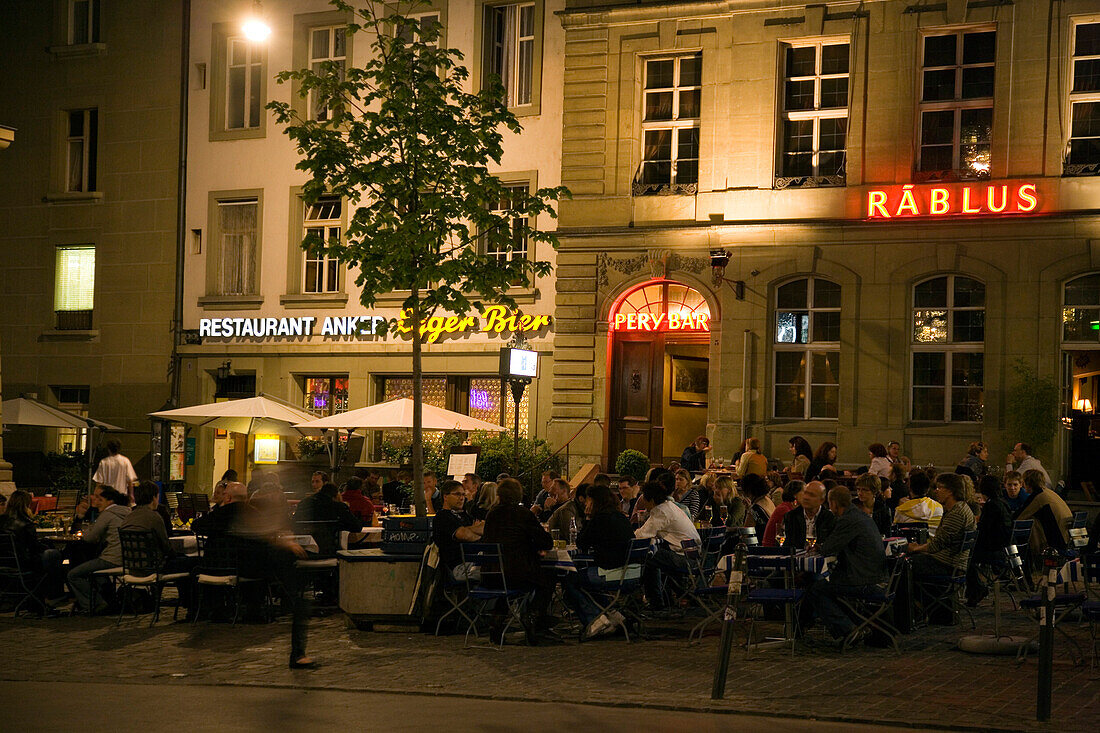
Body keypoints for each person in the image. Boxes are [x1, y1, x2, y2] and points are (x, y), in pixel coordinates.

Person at [801, 486, 888, 645]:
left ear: (833, 503)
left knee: (816, 589)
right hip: (874, 574)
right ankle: (858, 625)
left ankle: (848, 629)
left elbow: (829, 548)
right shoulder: (859, 516)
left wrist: (821, 547)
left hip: (862, 579)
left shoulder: (848, 520)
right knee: (826, 587)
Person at [481, 478, 556, 643]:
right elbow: (546, 542)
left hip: (490, 574)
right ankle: (533, 615)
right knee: (548, 578)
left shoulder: (492, 514)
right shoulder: (523, 514)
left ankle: (497, 623)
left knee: (506, 581)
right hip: (516, 574)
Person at [563, 484, 634, 637]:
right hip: (631, 572)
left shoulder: (600, 519)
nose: (585, 504)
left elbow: (582, 542)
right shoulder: (620, 516)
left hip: (611, 572)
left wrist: (588, 518)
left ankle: (595, 620)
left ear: (594, 501)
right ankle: (613, 615)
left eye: (588, 501)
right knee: (585, 582)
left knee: (570, 579)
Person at [907, 473, 977, 620]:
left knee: (904, 565)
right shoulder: (961, 508)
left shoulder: (957, 513)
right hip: (953, 561)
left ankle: (912, 612)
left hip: (948, 564)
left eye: (940, 488)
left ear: (950, 491)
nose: (936, 491)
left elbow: (937, 545)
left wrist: (915, 548)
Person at [634, 480, 701, 612]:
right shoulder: (670, 506)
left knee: (647, 556)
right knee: (655, 556)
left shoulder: (661, 511)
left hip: (685, 560)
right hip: (693, 557)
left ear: (651, 500)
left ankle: (655, 602)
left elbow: (642, 535)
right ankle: (669, 597)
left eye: (644, 500)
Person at [67, 487, 131, 614]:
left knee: (73, 575)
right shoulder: (126, 512)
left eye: (100, 499)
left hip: (112, 558)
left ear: (110, 501)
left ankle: (94, 604)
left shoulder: (108, 513)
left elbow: (90, 537)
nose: (96, 502)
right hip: (128, 557)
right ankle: (104, 600)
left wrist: (84, 529)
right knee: (91, 568)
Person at [0, 489, 65, 607]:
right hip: (23, 562)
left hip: (5, 562)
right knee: (54, 555)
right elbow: (33, 547)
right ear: (26, 505)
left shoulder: (2, 521)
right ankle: (55, 595)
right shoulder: (26, 523)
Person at [965, 475, 1013, 607]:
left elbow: (983, 531)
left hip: (994, 551)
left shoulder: (992, 505)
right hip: (1005, 549)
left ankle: (976, 589)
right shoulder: (1003, 503)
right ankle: (976, 590)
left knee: (965, 556)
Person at [431, 479, 484, 580]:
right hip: (458, 567)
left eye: (463, 495)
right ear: (445, 496)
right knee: (494, 570)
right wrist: (473, 530)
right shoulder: (443, 517)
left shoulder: (465, 515)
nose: (461, 498)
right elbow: (465, 535)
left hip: (475, 560)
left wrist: (468, 530)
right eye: (457, 494)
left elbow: (482, 529)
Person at [294, 482, 362, 556]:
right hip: (328, 552)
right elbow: (357, 527)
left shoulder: (303, 504)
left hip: (301, 550)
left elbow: (293, 524)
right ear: (335, 495)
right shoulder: (337, 506)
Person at [1014, 469, 1072, 553]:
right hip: (1066, 536)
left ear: (1027, 483)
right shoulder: (1049, 492)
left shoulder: (1038, 496)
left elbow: (1018, 517)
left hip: (1057, 541)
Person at [782, 481, 835, 550]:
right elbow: (788, 545)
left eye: (811, 495)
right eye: (805, 493)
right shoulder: (791, 516)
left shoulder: (830, 518)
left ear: (821, 500)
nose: (806, 497)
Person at [762, 480, 802, 546]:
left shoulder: (788, 507)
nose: (807, 496)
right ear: (795, 495)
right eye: (805, 492)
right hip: (772, 550)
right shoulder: (785, 509)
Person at [742, 473, 775, 538]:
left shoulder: (754, 510)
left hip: (760, 544)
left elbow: (746, 533)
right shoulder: (768, 500)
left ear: (748, 491)